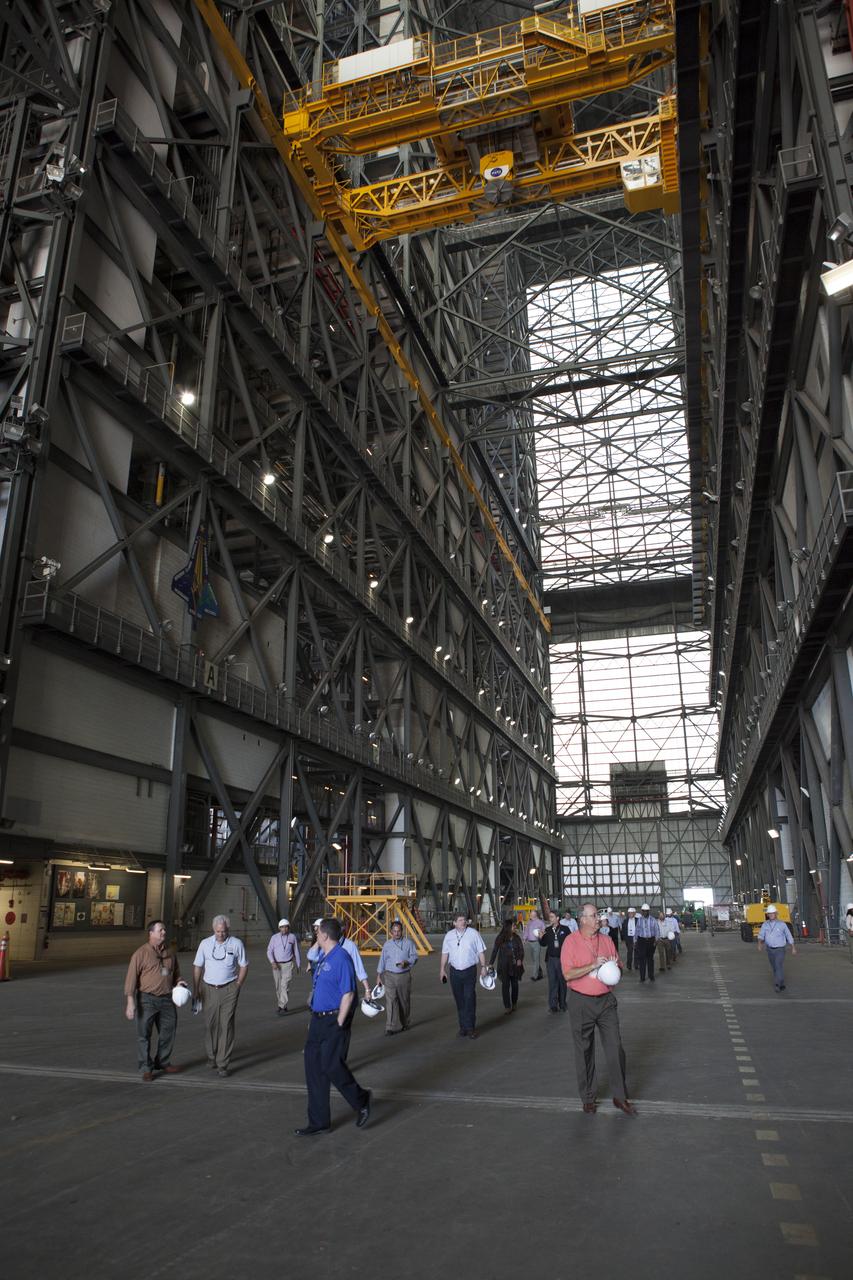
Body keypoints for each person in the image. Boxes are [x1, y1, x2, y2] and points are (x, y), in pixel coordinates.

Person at [295, 918, 371, 1136]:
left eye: (318, 933)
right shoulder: (323, 956)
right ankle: (319, 1122)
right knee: (313, 1068)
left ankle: (361, 1099)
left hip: (334, 1020)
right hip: (318, 1020)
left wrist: (339, 1023)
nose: (315, 936)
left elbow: (348, 993)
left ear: (325, 936)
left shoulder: (341, 958)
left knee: (331, 1065)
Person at [561, 902, 636, 1116]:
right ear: (582, 919)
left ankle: (620, 1097)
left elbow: (618, 966)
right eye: (594, 916)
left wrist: (615, 965)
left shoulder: (606, 940)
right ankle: (588, 1098)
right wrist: (593, 965)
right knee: (584, 1050)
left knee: (615, 1047)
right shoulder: (570, 942)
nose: (598, 919)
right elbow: (568, 974)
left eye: (598, 915)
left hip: (605, 1002)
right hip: (580, 1001)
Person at [124, 920, 184, 1080]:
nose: (164, 932)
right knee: (144, 1034)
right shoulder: (140, 954)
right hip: (147, 1000)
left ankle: (162, 1061)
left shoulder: (170, 952)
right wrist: (130, 1002)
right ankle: (145, 1067)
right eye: (160, 930)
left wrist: (179, 981)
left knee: (168, 1031)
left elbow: (176, 972)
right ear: (151, 933)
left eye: (164, 930)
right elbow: (131, 979)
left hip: (167, 999)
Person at [192, 914, 248, 1076]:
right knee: (210, 1024)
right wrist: (196, 988)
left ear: (228, 929)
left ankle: (222, 1062)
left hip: (229, 989)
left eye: (223, 931)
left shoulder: (236, 944)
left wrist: (237, 985)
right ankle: (212, 1055)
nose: (220, 934)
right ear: (213, 930)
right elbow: (197, 967)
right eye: (217, 932)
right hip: (208, 989)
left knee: (226, 1024)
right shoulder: (205, 944)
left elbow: (244, 966)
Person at [439, 911, 487, 1038]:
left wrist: (483, 967)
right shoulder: (449, 936)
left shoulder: (474, 934)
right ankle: (463, 1027)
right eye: (460, 920)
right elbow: (445, 953)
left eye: (464, 920)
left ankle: (471, 1028)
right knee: (459, 1000)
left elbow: (481, 951)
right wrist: (442, 969)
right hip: (454, 972)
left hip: (469, 971)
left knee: (469, 998)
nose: (463, 922)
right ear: (454, 923)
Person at [377, 920, 418, 1034]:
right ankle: (389, 1027)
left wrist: (407, 962)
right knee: (390, 1001)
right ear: (391, 932)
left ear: (402, 931)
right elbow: (382, 960)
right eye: (394, 931)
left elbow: (415, 957)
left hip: (404, 976)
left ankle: (405, 1022)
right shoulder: (387, 945)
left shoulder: (408, 943)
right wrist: (379, 975)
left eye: (398, 931)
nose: (396, 933)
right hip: (389, 976)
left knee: (404, 1001)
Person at [757, 905, 797, 991]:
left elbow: (788, 935)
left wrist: (793, 947)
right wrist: (760, 944)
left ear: (776, 914)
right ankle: (781, 983)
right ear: (767, 914)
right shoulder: (765, 924)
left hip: (780, 949)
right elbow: (761, 935)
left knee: (778, 965)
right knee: (775, 967)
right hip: (769, 949)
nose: (771, 915)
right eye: (769, 913)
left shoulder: (782, 924)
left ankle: (777, 984)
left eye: (773, 913)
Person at [266, 918, 301, 1015]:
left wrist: (298, 964)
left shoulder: (292, 937)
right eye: (282, 927)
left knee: (284, 985)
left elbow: (296, 951)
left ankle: (281, 1005)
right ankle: (284, 1005)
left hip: (288, 964)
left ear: (288, 928)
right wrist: (273, 962)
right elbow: (269, 951)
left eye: (286, 927)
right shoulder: (274, 938)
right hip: (276, 965)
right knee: (278, 987)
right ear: (279, 928)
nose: (284, 929)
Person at [539, 909, 571, 1012]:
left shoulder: (565, 930)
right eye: (550, 917)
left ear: (557, 918)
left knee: (562, 982)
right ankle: (553, 1005)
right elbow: (543, 944)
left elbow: (571, 943)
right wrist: (540, 937)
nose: (550, 918)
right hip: (551, 960)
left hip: (562, 960)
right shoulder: (547, 930)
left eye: (552, 917)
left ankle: (562, 1003)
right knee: (552, 982)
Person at [490, 920, 525, 1013]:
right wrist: (490, 963)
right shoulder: (500, 938)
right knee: (505, 986)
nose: (515, 927)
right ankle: (507, 1006)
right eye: (513, 926)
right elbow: (495, 951)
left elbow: (521, 950)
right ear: (508, 927)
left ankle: (514, 1003)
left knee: (515, 985)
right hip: (504, 966)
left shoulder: (517, 938)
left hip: (515, 966)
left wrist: (519, 959)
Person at [338, 921, 371, 1003]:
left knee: (347, 1013)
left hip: (348, 987)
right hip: (333, 988)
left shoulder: (350, 946)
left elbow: (359, 968)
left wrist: (367, 990)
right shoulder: (326, 945)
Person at [634, 903, 660, 983]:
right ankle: (642, 977)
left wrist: (656, 940)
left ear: (649, 911)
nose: (645, 912)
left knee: (650, 959)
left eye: (646, 911)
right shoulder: (639, 920)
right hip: (641, 941)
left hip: (651, 941)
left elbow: (657, 930)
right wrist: (635, 941)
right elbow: (637, 930)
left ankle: (651, 976)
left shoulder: (653, 920)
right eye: (643, 911)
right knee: (642, 959)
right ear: (642, 911)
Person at [523, 910, 545, 980]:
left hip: (536, 943)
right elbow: (526, 931)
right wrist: (524, 938)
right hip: (530, 943)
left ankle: (535, 976)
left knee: (536, 960)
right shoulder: (529, 922)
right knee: (534, 959)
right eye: (530, 915)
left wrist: (541, 934)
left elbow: (544, 931)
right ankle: (540, 972)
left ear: (535, 915)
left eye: (531, 915)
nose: (530, 916)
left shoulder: (540, 922)